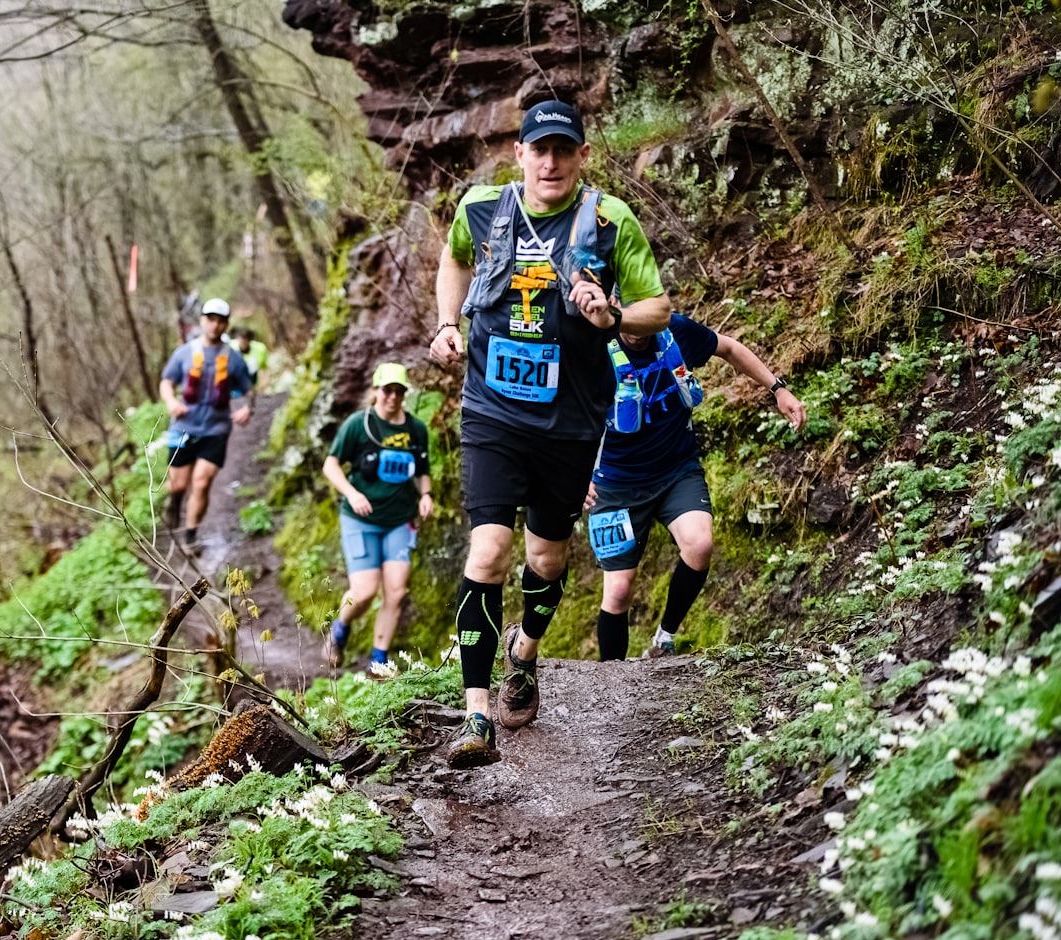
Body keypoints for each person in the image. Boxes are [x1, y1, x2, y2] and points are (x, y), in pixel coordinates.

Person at [430, 98, 672, 768]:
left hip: (569, 421)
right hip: (491, 411)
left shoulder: (606, 218)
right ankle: (476, 714)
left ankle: (525, 649)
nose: (551, 161)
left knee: (547, 560)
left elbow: (660, 307)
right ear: (520, 154)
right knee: (487, 553)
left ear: (582, 156)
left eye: (564, 149)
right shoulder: (480, 209)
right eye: (540, 149)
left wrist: (614, 310)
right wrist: (448, 322)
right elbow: (454, 259)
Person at [586, 313, 806, 659]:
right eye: (632, 322)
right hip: (615, 486)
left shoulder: (675, 331)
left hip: (676, 471)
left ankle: (664, 638)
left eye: (647, 321)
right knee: (618, 591)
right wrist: (572, 473)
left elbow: (730, 348)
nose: (640, 332)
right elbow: (559, 408)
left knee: (700, 545)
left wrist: (777, 389)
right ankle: (612, 684)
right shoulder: (590, 346)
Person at [321, 363, 434, 675]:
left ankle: (378, 662)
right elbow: (331, 465)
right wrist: (352, 492)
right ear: (376, 391)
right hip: (361, 520)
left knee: (396, 591)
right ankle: (341, 628)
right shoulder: (359, 425)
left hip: (400, 520)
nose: (393, 397)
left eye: (400, 391)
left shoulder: (415, 429)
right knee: (364, 592)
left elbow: (423, 471)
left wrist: (426, 495)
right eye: (388, 390)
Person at [159, 298, 254, 546]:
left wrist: (247, 408)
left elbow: (248, 389)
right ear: (202, 320)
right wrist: (171, 402)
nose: (215, 325)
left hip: (216, 429)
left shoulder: (233, 359)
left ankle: (191, 536)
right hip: (183, 428)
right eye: (210, 319)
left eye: (220, 321)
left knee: (201, 484)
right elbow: (166, 381)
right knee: (178, 484)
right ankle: (175, 501)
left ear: (226, 325)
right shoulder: (184, 353)